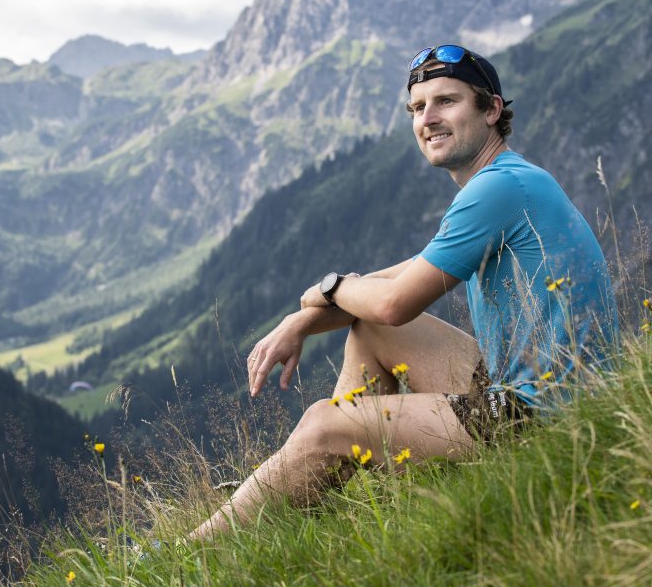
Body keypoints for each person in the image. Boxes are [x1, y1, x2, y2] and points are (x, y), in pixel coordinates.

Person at [190, 44, 618, 540]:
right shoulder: (507, 182)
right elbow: (387, 288)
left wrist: (331, 286)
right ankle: (311, 482)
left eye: (447, 102)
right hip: (533, 396)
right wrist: (302, 318)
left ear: (492, 110)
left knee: (326, 421)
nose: (428, 118)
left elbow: (393, 304)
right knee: (368, 331)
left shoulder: (496, 190)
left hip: (549, 420)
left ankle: (191, 553)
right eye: (417, 108)